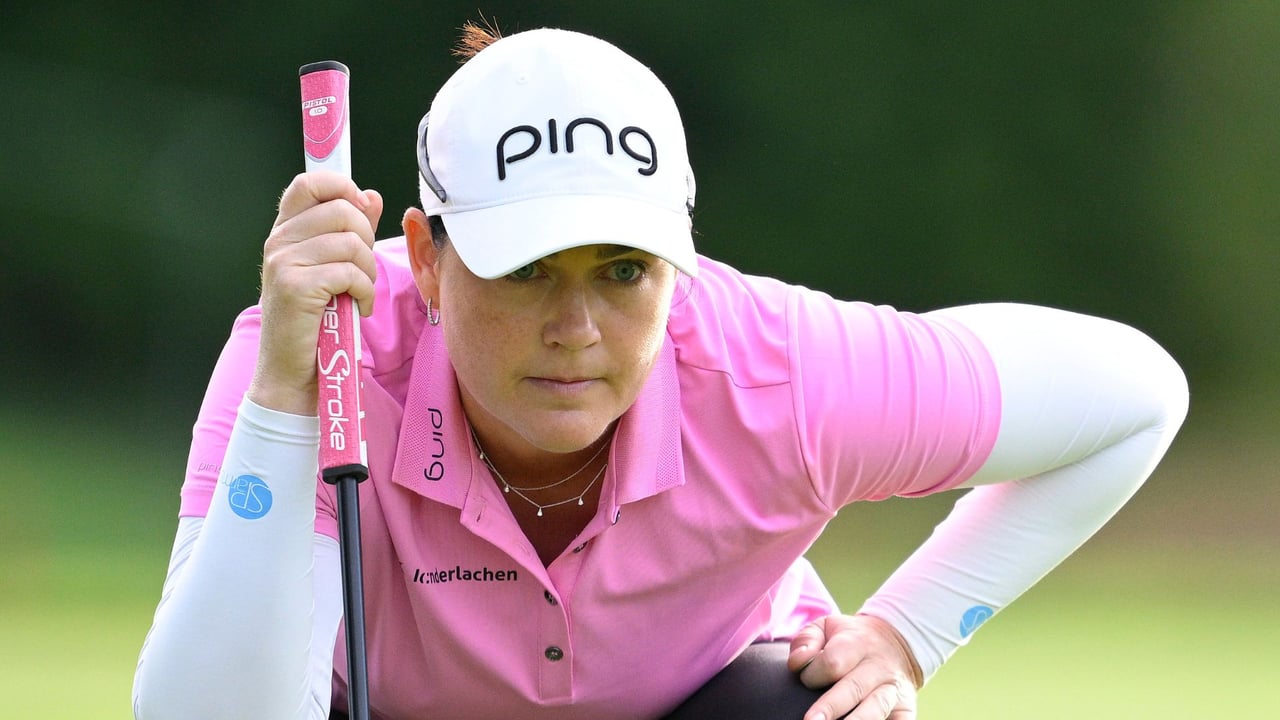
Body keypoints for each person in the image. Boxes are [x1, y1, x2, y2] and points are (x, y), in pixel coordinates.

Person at [132, 23, 1188, 720]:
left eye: (623, 271)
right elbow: (206, 712)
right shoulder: (314, 356)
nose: (577, 327)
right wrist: (283, 399)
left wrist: (909, 633)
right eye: (527, 270)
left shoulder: (775, 369)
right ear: (427, 258)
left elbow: (1131, 398)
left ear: (677, 259)